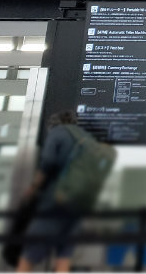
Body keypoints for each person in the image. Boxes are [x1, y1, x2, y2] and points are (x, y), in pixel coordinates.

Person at [15, 111, 112, 273]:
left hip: (57, 200)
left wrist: (32, 189)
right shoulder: (88, 139)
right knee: (63, 257)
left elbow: (48, 162)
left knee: (29, 255)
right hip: (79, 203)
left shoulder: (57, 133)